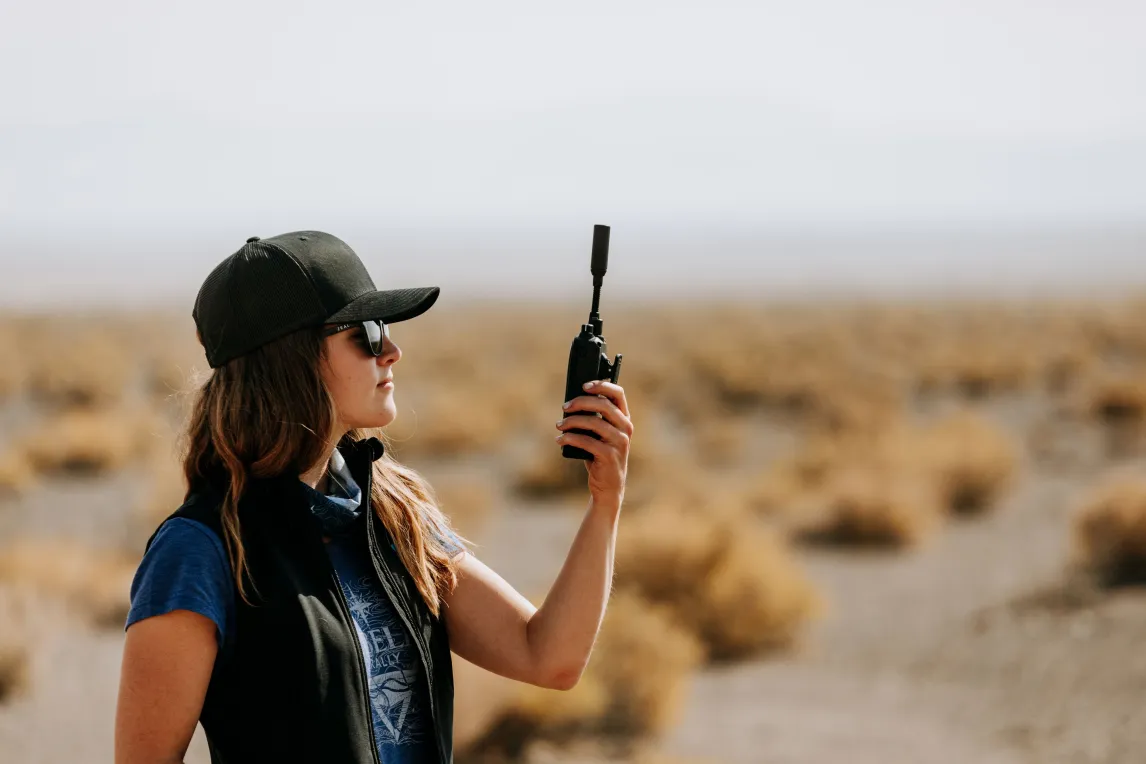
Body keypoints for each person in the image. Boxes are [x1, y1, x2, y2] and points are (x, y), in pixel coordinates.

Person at [113, 231, 633, 764]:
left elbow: (548, 657)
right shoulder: (199, 550)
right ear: (291, 359)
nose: (392, 350)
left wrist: (605, 502)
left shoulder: (391, 511)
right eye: (366, 332)